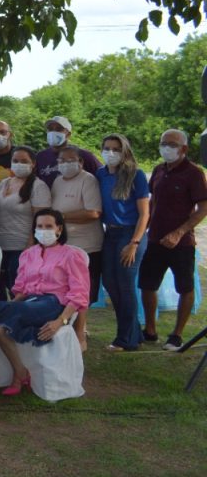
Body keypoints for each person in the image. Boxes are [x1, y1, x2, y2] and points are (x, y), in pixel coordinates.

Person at [0, 209, 90, 395]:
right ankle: (20, 373)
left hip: (53, 303)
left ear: (59, 229)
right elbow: (21, 290)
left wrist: (61, 321)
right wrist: (10, 307)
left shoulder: (70, 255)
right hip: (30, 302)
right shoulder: (28, 255)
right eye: (39, 226)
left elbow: (79, 294)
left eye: (49, 226)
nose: (43, 230)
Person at [139, 129, 207, 351]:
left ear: (183, 148)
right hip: (155, 239)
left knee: (185, 287)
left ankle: (176, 335)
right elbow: (152, 202)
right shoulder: (159, 170)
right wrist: (143, 229)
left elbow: (203, 208)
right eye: (163, 143)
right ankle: (150, 331)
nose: (166, 148)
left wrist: (179, 232)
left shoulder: (194, 173)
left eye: (172, 144)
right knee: (147, 284)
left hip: (182, 243)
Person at [96, 134, 150, 352]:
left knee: (125, 286)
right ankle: (134, 332)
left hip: (131, 234)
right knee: (110, 283)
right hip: (110, 233)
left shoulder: (136, 175)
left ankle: (125, 339)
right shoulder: (100, 174)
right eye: (107, 148)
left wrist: (134, 243)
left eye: (116, 149)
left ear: (124, 151)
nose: (110, 153)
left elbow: (144, 214)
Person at [50, 145, 103, 350]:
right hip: (64, 244)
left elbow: (93, 212)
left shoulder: (88, 180)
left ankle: (81, 333)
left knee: (82, 290)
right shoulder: (57, 181)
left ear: (80, 162)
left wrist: (61, 217)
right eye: (61, 161)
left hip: (86, 245)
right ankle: (69, 327)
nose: (65, 164)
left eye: (70, 160)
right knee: (66, 288)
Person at [0, 146, 51, 299]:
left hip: (22, 247)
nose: (19, 164)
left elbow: (40, 220)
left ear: (33, 164)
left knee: (18, 291)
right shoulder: (4, 183)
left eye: (24, 161)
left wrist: (30, 246)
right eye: (15, 161)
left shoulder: (38, 186)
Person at [35, 116, 100, 186]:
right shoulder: (40, 157)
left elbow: (102, 176)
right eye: (50, 129)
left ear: (68, 134)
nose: (53, 132)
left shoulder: (84, 155)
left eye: (59, 129)